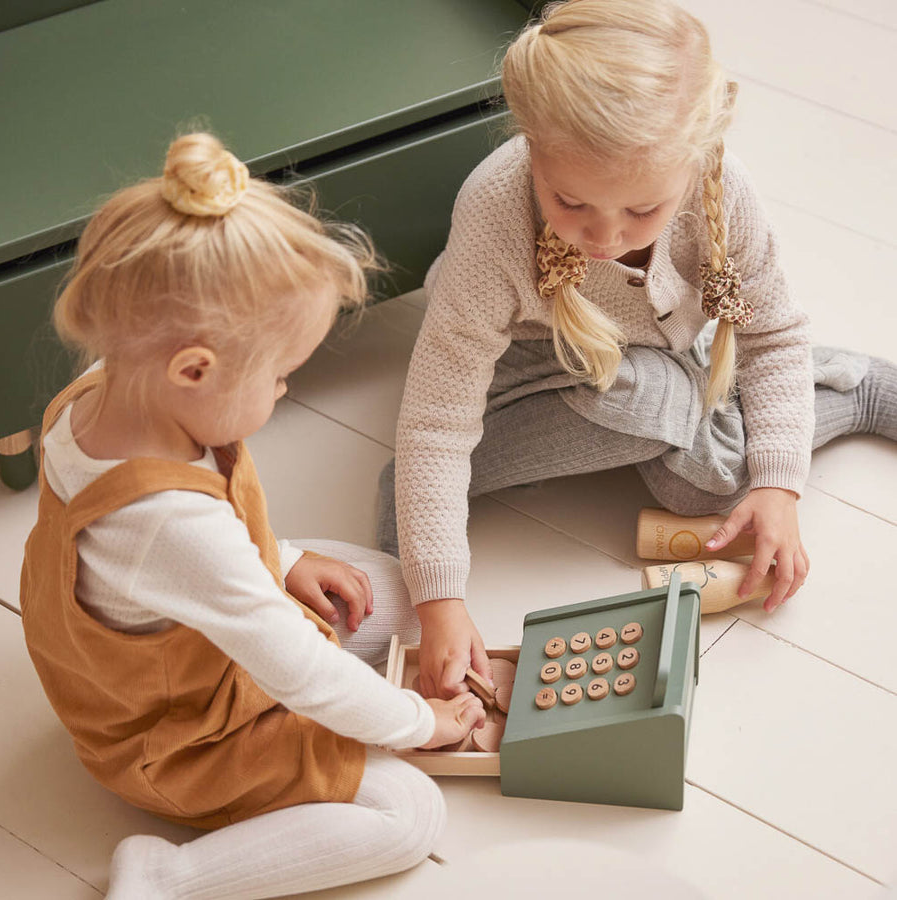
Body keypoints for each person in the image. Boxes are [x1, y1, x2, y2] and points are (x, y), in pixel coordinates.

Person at [378, 0, 897, 699]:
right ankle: (794, 395)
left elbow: (772, 331)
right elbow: (438, 423)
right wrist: (438, 599)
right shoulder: (494, 217)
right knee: (653, 410)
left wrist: (778, 486)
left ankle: (852, 387)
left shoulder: (721, 186)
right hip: (529, 367)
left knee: (703, 483)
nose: (605, 237)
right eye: (571, 202)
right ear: (530, 144)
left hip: (666, 343)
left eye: (643, 211)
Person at [20, 133, 485, 900]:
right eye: (278, 377)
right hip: (180, 736)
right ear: (193, 370)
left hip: (196, 645)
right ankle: (166, 878)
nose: (284, 394)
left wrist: (286, 558)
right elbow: (289, 661)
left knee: (399, 597)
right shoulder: (165, 524)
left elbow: (209, 551)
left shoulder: (115, 383)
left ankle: (340, 665)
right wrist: (416, 724)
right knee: (409, 816)